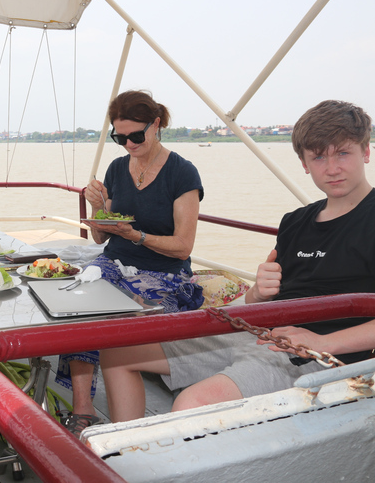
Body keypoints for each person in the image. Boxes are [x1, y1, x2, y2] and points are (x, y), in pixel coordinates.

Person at [100, 99, 375, 424]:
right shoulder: (296, 222)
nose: (331, 168)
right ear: (304, 163)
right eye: (318, 156)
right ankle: (122, 451)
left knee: (191, 405)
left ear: (366, 151)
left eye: (342, 153)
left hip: (318, 354)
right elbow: (261, 299)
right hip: (259, 331)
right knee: (117, 350)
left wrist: (321, 341)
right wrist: (259, 291)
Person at [58, 90, 204, 435]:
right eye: (118, 137)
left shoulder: (182, 173)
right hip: (114, 261)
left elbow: (183, 247)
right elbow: (100, 238)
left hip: (165, 274)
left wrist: (135, 234)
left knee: (123, 320)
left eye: (135, 136)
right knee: (78, 304)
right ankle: (84, 410)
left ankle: (128, 430)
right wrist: (97, 207)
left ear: (155, 125)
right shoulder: (117, 167)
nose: (127, 144)